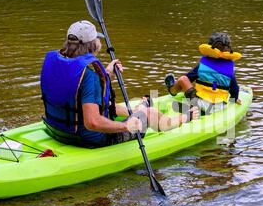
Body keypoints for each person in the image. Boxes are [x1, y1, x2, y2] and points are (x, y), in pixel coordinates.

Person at [40, 20, 199, 148]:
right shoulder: (89, 77)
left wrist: (107, 75)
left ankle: (137, 109)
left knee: (128, 107)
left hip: (57, 131)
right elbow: (92, 122)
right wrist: (126, 126)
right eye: (97, 39)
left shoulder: (57, 63)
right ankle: (187, 117)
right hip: (87, 140)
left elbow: (78, 97)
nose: (99, 42)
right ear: (92, 45)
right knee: (150, 113)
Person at [164, 32, 242, 114]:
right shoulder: (229, 70)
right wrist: (235, 99)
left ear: (210, 47)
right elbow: (235, 89)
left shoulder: (203, 66)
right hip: (220, 107)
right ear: (228, 49)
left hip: (202, 105)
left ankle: (172, 90)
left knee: (183, 79)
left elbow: (188, 78)